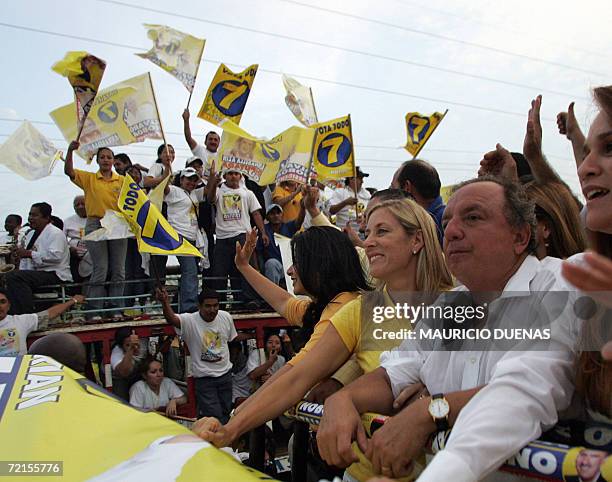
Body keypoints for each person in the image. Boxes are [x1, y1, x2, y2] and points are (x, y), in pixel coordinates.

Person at [315, 177, 580, 481]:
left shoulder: (560, 285)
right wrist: (343, 400)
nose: (451, 231)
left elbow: (523, 390)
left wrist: (431, 411)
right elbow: (394, 373)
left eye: (473, 217)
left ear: (519, 237)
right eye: (448, 220)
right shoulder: (449, 305)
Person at [193, 197, 453, 481]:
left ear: (416, 240)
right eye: (367, 234)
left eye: (382, 232)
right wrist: (231, 428)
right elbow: (297, 376)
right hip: (367, 473)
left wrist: (434, 392)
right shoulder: (359, 312)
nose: (368, 243)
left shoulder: (463, 303)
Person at [561, 85, 612, 432]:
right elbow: (532, 381)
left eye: (610, 148)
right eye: (585, 152)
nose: (584, 169)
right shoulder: (580, 277)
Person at [156, 287, 251, 423]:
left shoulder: (225, 317)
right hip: (205, 380)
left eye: (215, 306)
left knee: (226, 414)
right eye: (208, 306)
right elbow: (171, 319)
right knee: (215, 418)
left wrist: (251, 335)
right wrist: (165, 302)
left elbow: (231, 338)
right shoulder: (190, 321)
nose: (212, 310)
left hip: (225, 376)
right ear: (199, 306)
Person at [64, 141, 127, 319]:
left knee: (118, 270)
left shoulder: (122, 181)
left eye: (109, 157)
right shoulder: (90, 178)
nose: (106, 160)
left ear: (114, 161)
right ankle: (94, 310)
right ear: (97, 160)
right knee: (100, 268)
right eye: (102, 157)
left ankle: (115, 309)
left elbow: (136, 197)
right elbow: (69, 172)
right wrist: (70, 150)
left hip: (117, 224)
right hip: (95, 223)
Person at [206, 166, 269, 307]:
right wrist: (213, 183)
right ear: (225, 176)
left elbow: (256, 213)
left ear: (240, 176)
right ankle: (219, 303)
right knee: (219, 273)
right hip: (222, 238)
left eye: (236, 173)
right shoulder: (219, 190)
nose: (233, 176)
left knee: (246, 269)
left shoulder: (247, 193)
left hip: (242, 236)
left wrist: (263, 232)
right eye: (230, 174)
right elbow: (210, 199)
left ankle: (248, 301)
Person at [5, 202, 72, 315]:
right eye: (30, 215)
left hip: (55, 273)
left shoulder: (55, 233)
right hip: (39, 273)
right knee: (7, 278)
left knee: (14, 277)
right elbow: (26, 259)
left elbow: (56, 257)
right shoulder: (30, 234)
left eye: (35, 215)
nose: (30, 218)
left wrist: (29, 254)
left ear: (46, 218)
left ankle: (26, 314)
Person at [163, 167, 209, 312]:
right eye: (188, 179)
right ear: (181, 179)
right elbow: (163, 188)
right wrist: (166, 168)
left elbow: (209, 191)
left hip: (193, 237)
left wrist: (213, 175)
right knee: (190, 270)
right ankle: (189, 307)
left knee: (191, 271)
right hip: (179, 236)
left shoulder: (195, 194)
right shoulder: (174, 191)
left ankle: (185, 302)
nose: (191, 182)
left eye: (194, 180)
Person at [0, 288, 84, 356]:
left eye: (2, 302)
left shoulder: (21, 321)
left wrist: (73, 301)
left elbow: (50, 313)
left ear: (9, 306)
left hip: (18, 371)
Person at [391, 159, 445, 243]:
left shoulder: (443, 223)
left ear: (407, 187)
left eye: (393, 189)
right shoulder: (447, 218)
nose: (390, 198)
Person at [256, 203, 301, 286]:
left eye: (278, 213)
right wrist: (260, 270)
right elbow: (259, 253)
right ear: (267, 217)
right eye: (272, 213)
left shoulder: (288, 226)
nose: (276, 216)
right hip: (273, 267)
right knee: (271, 264)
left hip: (290, 265)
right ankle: (272, 296)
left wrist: (304, 207)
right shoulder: (264, 230)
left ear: (282, 215)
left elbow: (299, 221)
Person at [330, 167, 371, 233]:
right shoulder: (340, 192)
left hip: (362, 233)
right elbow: (331, 210)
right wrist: (345, 202)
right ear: (351, 179)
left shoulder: (367, 194)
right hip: (344, 233)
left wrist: (364, 218)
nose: (362, 182)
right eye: (360, 178)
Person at [63, 195, 92, 285]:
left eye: (83, 204)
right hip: (73, 254)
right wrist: (70, 248)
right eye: (77, 205)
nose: (80, 207)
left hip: (92, 251)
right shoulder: (68, 221)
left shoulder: (95, 218)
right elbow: (62, 239)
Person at [182, 109, 220, 178]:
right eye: (210, 139)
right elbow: (188, 138)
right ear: (205, 142)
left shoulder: (223, 156)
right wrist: (186, 120)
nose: (213, 141)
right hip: (200, 184)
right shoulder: (200, 150)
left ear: (219, 143)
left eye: (215, 140)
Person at [111, 326, 145, 401]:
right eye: (127, 345)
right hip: (120, 378)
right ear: (121, 346)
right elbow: (124, 372)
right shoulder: (116, 353)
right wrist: (131, 348)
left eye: (136, 344)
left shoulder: (143, 342)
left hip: (137, 375)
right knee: (121, 402)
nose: (135, 347)